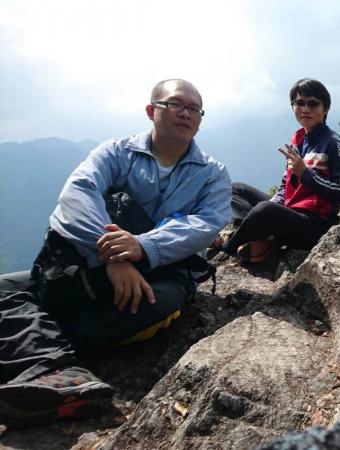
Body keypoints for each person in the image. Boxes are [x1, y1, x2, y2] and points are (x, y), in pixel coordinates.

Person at [0, 79, 231, 428]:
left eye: (194, 109)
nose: (185, 113)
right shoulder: (116, 153)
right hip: (94, 264)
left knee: (157, 302)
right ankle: (58, 369)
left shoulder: (212, 174)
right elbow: (78, 195)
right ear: (151, 110)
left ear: (200, 119)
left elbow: (207, 223)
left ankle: (36, 349)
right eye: (175, 104)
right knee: (5, 288)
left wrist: (144, 246)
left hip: (164, 270)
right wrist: (112, 255)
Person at [216, 79, 340, 264]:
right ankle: (260, 235)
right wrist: (275, 204)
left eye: (313, 104)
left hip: (315, 224)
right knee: (234, 189)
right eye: (299, 103)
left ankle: (228, 245)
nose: (305, 109)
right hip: (291, 209)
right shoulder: (298, 140)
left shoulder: (334, 144)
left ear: (326, 108)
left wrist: (306, 174)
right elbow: (285, 186)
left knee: (265, 210)